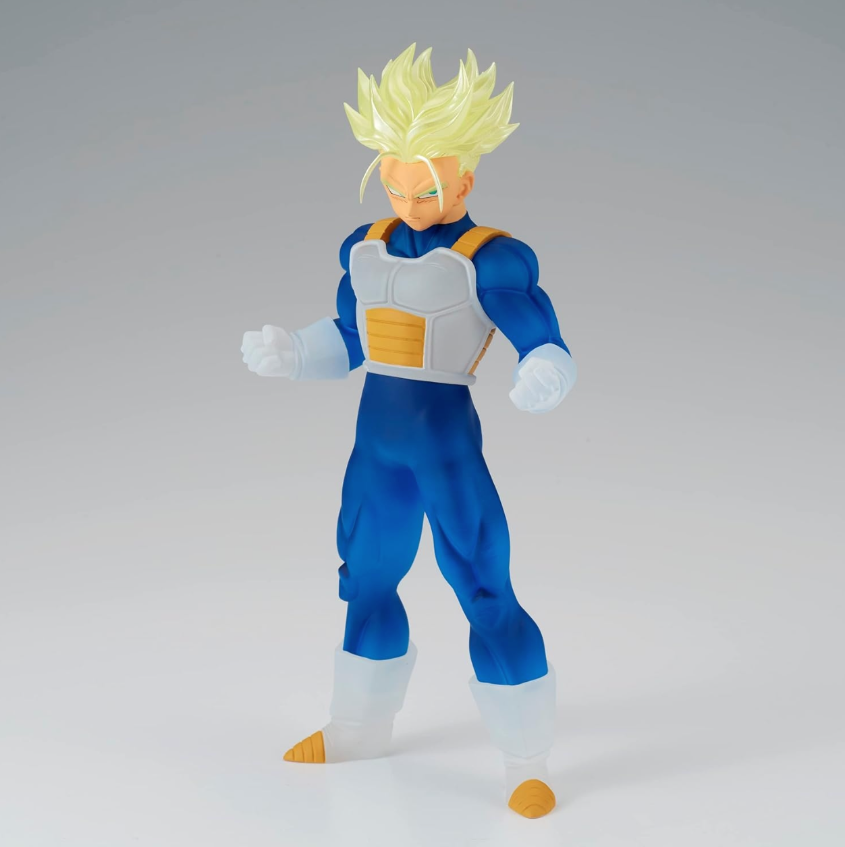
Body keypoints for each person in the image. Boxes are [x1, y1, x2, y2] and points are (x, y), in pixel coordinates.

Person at [240, 44, 577, 819]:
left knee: (484, 587)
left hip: (444, 448)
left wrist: (547, 369)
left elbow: (540, 335)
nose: (408, 201)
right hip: (376, 450)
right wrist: (294, 353)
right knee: (364, 580)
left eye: (425, 188)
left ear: (464, 180)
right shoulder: (363, 244)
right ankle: (358, 727)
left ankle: (526, 760)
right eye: (394, 184)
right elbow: (349, 338)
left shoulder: (493, 259)